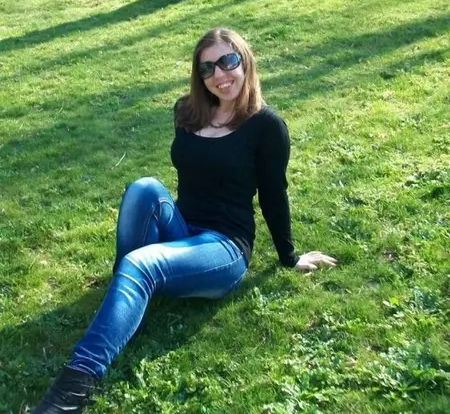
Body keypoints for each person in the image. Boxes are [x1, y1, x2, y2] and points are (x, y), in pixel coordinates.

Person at [33, 28, 336, 414]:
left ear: (245, 61)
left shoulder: (265, 126)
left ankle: (70, 392)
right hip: (182, 229)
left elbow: (274, 194)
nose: (219, 75)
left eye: (228, 61)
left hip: (223, 247)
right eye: (207, 68)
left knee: (140, 264)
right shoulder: (188, 112)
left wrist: (289, 257)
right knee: (143, 188)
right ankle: (127, 299)